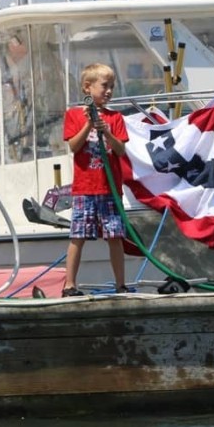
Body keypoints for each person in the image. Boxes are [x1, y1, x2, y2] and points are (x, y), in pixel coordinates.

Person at [61, 63, 129, 297]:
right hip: (85, 188)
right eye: (104, 86)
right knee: (78, 235)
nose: (109, 91)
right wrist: (89, 123)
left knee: (114, 236)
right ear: (87, 87)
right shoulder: (73, 115)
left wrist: (107, 131)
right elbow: (73, 145)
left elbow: (120, 150)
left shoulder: (116, 117)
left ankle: (120, 284)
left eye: (112, 86)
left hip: (109, 188)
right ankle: (69, 284)